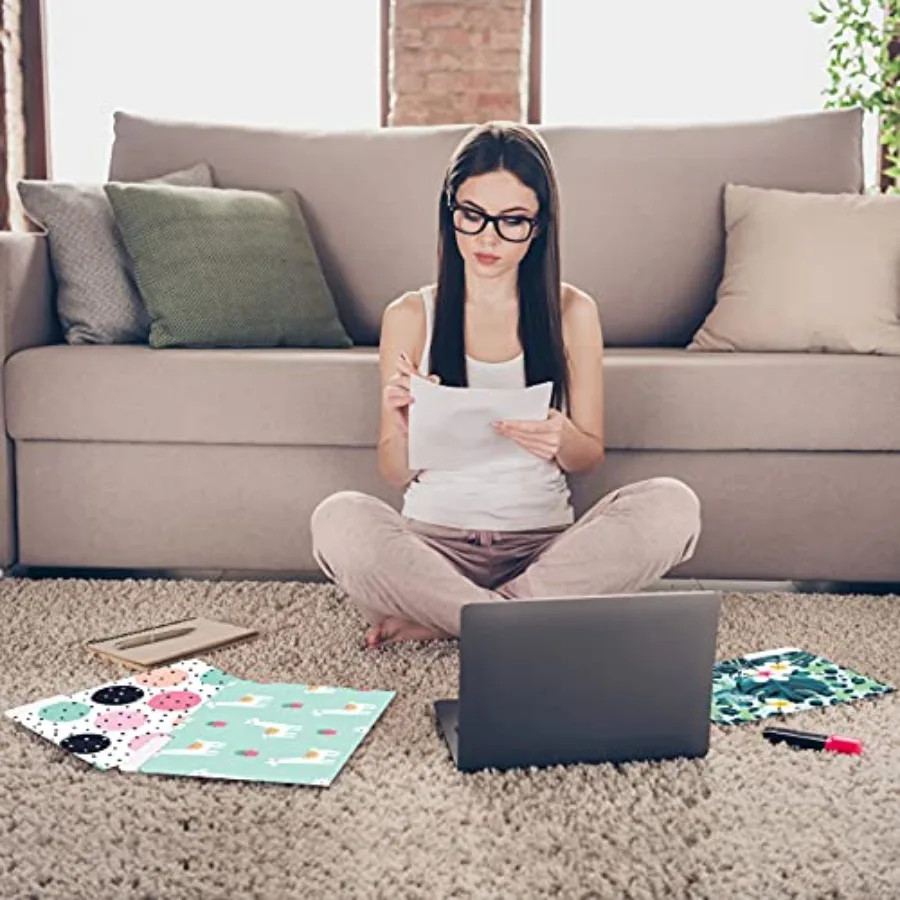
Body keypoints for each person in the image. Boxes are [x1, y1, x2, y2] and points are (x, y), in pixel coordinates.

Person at [311, 121, 701, 649]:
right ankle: (517, 620)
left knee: (672, 506)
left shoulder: (572, 311)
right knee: (338, 519)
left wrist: (563, 439)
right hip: (432, 551)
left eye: (513, 221)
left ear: (539, 228)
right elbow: (393, 472)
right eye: (472, 216)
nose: (488, 238)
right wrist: (405, 427)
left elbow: (588, 454)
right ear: (450, 213)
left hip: (542, 552)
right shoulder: (410, 315)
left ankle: (461, 621)